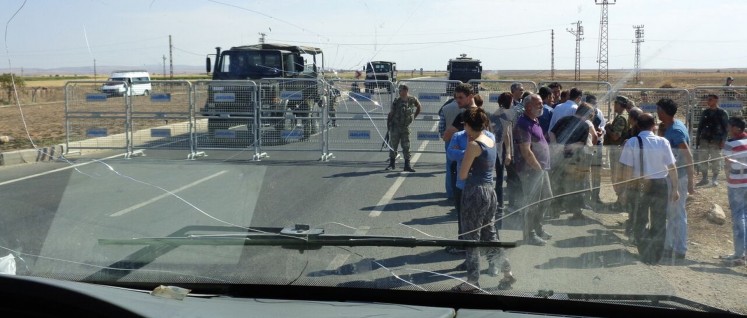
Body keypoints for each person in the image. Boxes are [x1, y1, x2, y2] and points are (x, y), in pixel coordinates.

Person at [450, 107, 515, 292]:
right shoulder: (491, 138)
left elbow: (462, 175)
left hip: (474, 193)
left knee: (472, 239)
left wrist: (466, 161)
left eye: (465, 125)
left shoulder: (473, 146)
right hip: (490, 191)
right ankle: (507, 273)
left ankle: (472, 281)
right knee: (490, 236)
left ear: (469, 125)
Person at [619, 113, 679, 264]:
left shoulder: (632, 142)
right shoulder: (663, 142)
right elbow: (672, 167)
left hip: (640, 184)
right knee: (659, 220)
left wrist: (625, 190)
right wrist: (675, 188)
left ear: (637, 125)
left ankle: (646, 251)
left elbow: (627, 169)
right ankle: (657, 254)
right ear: (654, 126)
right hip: (660, 184)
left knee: (640, 219)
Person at [446, 85, 494, 254]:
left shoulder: (476, 142)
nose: (457, 101)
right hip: (487, 187)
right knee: (488, 228)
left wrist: (469, 154)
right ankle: (500, 266)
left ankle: (472, 270)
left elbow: (463, 174)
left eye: (460, 97)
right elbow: (451, 151)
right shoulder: (485, 139)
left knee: (473, 229)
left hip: (472, 187)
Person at [658, 98, 696, 261]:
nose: (657, 112)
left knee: (678, 213)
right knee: (672, 212)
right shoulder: (673, 126)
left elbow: (687, 156)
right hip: (673, 176)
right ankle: (670, 245)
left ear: (663, 111)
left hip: (678, 177)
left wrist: (690, 181)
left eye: (659, 109)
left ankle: (679, 248)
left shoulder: (676, 131)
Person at [514, 93, 553, 246]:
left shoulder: (534, 121)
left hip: (540, 169)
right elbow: (525, 150)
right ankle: (529, 234)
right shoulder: (523, 123)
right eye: (539, 104)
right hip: (531, 171)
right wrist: (537, 168)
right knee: (532, 203)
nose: (542, 106)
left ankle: (537, 227)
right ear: (528, 106)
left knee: (546, 198)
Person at [549, 103, 596, 220]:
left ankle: (556, 210)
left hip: (558, 156)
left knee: (557, 183)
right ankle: (576, 211)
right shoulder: (585, 126)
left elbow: (551, 133)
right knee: (575, 186)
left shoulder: (563, 119)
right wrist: (567, 147)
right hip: (572, 160)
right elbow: (581, 143)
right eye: (591, 114)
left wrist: (556, 145)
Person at [721, 117, 747, 266]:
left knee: (738, 218)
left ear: (737, 128)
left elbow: (727, 165)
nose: (728, 129)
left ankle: (739, 254)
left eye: (730, 127)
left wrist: (728, 180)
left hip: (736, 185)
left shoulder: (730, 144)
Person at [386, 84, 421, 172]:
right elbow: (391, 113)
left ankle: (407, 165)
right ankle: (392, 163)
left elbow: (419, 106)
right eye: (399, 90)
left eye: (401, 90)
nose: (399, 92)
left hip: (405, 127)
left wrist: (414, 117)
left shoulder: (412, 99)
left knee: (406, 146)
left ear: (405, 91)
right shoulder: (396, 101)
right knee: (393, 145)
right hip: (396, 127)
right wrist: (388, 126)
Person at [695, 94, 729, 186]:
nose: (708, 101)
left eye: (710, 100)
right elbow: (700, 127)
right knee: (703, 160)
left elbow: (726, 129)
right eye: (708, 100)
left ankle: (714, 179)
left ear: (716, 101)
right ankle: (704, 178)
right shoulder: (705, 112)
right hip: (704, 139)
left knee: (716, 160)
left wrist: (723, 140)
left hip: (716, 141)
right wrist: (698, 140)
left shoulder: (722, 113)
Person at [605, 96, 632, 210]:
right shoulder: (623, 117)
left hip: (618, 151)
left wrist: (607, 128)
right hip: (619, 151)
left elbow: (616, 136)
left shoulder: (621, 118)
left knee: (617, 177)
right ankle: (621, 201)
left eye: (615, 104)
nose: (614, 106)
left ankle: (621, 202)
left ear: (620, 105)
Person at [439, 94, 460, 200]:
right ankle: (461, 191)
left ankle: (450, 193)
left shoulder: (445, 108)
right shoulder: (467, 108)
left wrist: (444, 136)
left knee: (449, 167)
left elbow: (441, 126)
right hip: (465, 140)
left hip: (449, 140)